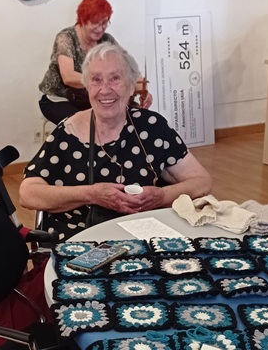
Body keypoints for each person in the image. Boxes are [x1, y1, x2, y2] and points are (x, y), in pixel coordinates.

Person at [21, 42, 212, 241]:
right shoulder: (69, 132)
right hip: (81, 239)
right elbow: (28, 194)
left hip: (143, 236)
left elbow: (202, 181)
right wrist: (90, 194)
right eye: (96, 80)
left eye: (115, 78)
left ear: (131, 86)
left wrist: (162, 196)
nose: (105, 90)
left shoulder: (152, 127)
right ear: (87, 87)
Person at [38, 0, 152, 124]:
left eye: (104, 23)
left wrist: (142, 89)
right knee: (88, 125)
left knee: (134, 117)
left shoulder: (107, 40)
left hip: (88, 100)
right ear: (82, 20)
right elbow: (68, 77)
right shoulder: (66, 38)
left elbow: (127, 70)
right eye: (95, 23)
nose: (100, 29)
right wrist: (105, 82)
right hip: (60, 99)